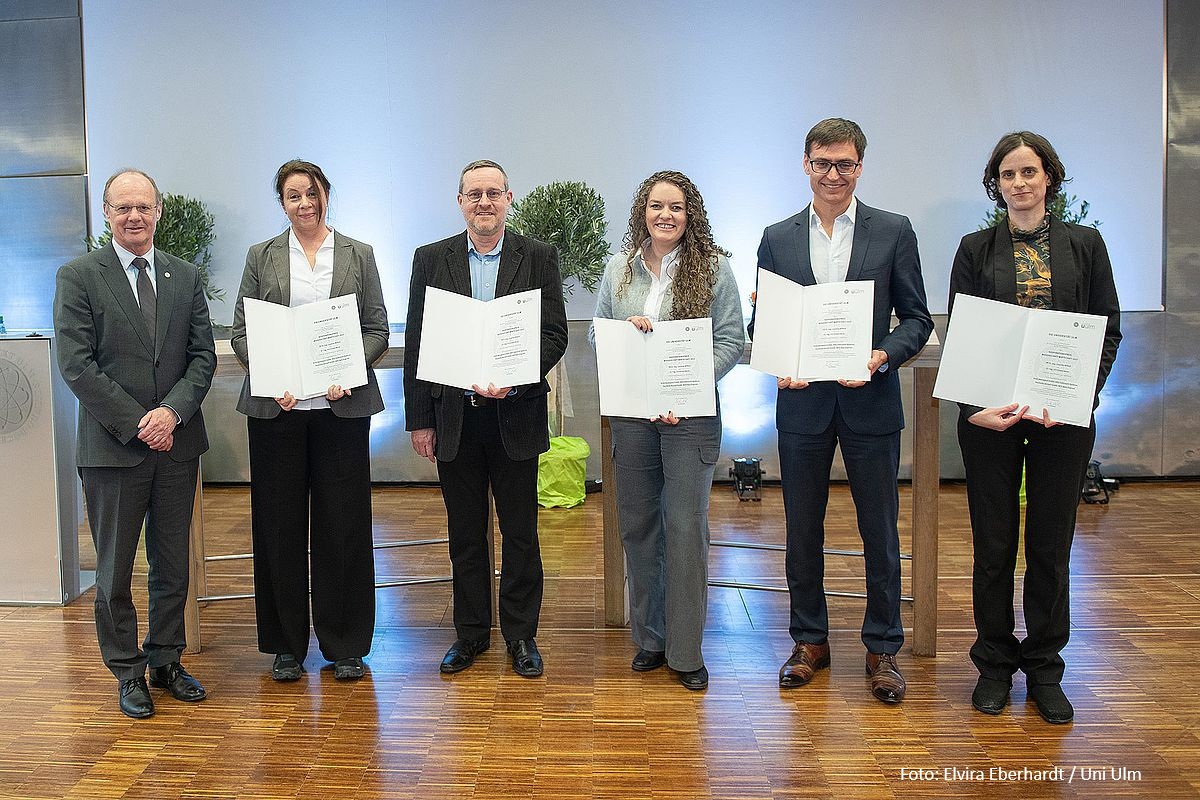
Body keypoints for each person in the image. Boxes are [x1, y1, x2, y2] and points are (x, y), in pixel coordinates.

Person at [751, 118, 933, 704]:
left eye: (845, 165)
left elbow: (918, 319)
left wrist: (883, 355)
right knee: (801, 530)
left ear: (860, 168)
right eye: (823, 163)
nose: (834, 175)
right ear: (805, 164)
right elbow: (764, 325)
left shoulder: (893, 231)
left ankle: (882, 649)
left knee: (879, 532)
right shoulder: (777, 238)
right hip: (802, 402)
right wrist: (773, 350)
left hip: (869, 401)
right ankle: (810, 641)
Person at [950, 132, 1121, 724]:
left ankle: (1045, 669)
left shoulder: (1086, 245)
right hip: (991, 420)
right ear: (995, 184)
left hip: (1061, 421)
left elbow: (1107, 332)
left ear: (1050, 176)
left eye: (1029, 171)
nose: (1019, 183)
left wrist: (1077, 396)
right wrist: (974, 407)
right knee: (994, 547)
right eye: (1007, 174)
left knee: (1051, 547)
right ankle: (994, 666)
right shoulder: (974, 249)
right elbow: (964, 338)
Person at [54, 169, 216, 718]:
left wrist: (170, 413)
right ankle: (127, 671)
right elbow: (76, 365)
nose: (134, 216)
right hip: (113, 449)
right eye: (123, 207)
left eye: (143, 206)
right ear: (106, 213)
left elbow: (203, 358)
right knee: (115, 570)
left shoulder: (185, 276)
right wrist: (139, 420)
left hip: (177, 444)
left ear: (159, 210)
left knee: (173, 563)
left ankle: (167, 658)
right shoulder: (78, 277)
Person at [404, 160, 568, 678]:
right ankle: (470, 634)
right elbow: (419, 343)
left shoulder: (538, 256)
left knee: (521, 533)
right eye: (474, 194)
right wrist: (419, 419)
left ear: (509, 198)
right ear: (460, 202)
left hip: (514, 413)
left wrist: (516, 375)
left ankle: (521, 635)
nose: (484, 202)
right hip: (455, 419)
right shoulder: (431, 259)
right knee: (465, 535)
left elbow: (555, 334)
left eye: (493, 193)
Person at [230, 159, 389, 682]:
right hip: (279, 411)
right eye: (293, 195)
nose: (304, 203)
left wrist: (351, 367)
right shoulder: (261, 256)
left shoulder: (358, 254)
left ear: (327, 195)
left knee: (343, 525)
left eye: (312, 193)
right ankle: (285, 645)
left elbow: (376, 329)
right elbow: (241, 333)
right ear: (282, 203)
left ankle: (346, 644)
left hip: (340, 410)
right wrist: (271, 374)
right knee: (278, 526)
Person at [589, 171, 743, 690]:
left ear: (690, 213)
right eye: (657, 206)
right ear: (643, 211)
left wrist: (688, 388)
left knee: (683, 529)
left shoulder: (715, 269)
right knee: (638, 526)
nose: (666, 216)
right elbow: (597, 333)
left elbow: (731, 342)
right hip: (632, 420)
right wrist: (622, 333)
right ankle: (650, 639)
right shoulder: (620, 268)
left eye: (676, 207)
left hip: (689, 420)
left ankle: (686, 651)